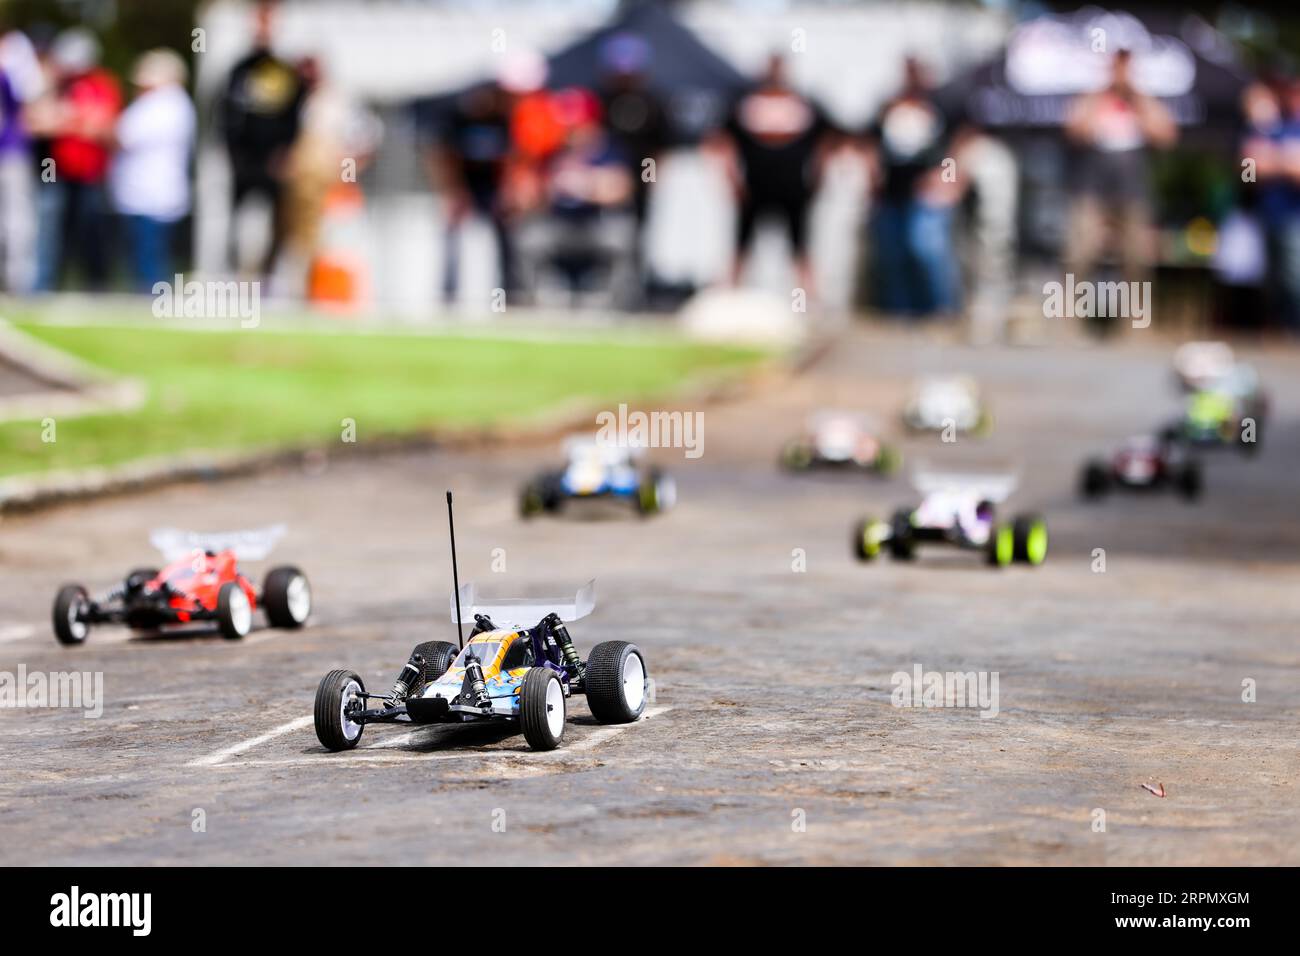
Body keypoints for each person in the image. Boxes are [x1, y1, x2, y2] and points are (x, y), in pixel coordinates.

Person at [1063, 48, 1176, 331]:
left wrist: (1136, 95)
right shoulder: (1092, 99)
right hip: (1092, 189)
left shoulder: (1143, 101)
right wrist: (1101, 93)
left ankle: (1135, 325)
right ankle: (1069, 323)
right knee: (1079, 253)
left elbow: (1165, 136)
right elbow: (1076, 131)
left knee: (1137, 257)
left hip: (1133, 190)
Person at [717, 54, 835, 297]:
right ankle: (728, 296)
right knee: (741, 246)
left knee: (801, 247)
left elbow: (829, 139)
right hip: (754, 187)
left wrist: (820, 175)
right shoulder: (744, 103)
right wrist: (730, 178)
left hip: (793, 187)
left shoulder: (805, 103)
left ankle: (808, 301)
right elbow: (722, 141)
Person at [24, 27, 120, 291]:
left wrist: (64, 119)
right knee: (51, 232)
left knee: (91, 232)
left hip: (90, 172)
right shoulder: (54, 85)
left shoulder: (101, 84)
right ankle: (45, 286)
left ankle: (96, 287)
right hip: (57, 171)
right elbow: (34, 122)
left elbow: (103, 126)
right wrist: (77, 119)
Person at [866, 56, 963, 317]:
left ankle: (943, 311)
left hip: (927, 196)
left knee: (926, 249)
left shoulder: (941, 104)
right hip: (892, 193)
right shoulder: (889, 106)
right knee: (893, 256)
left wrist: (948, 177)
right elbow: (870, 145)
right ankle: (901, 314)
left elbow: (964, 139)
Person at [220, 0, 304, 277]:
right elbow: (226, 115)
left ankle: (268, 278)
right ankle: (235, 275)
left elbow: (295, 116)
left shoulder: (286, 71)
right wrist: (233, 155)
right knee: (238, 221)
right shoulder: (240, 69)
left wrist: (286, 153)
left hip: (274, 162)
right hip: (244, 161)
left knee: (276, 224)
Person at [110, 49, 194, 291]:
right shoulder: (170, 104)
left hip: (150, 196)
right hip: (148, 195)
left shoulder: (164, 104)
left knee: (148, 260)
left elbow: (123, 136)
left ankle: (152, 300)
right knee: (146, 257)